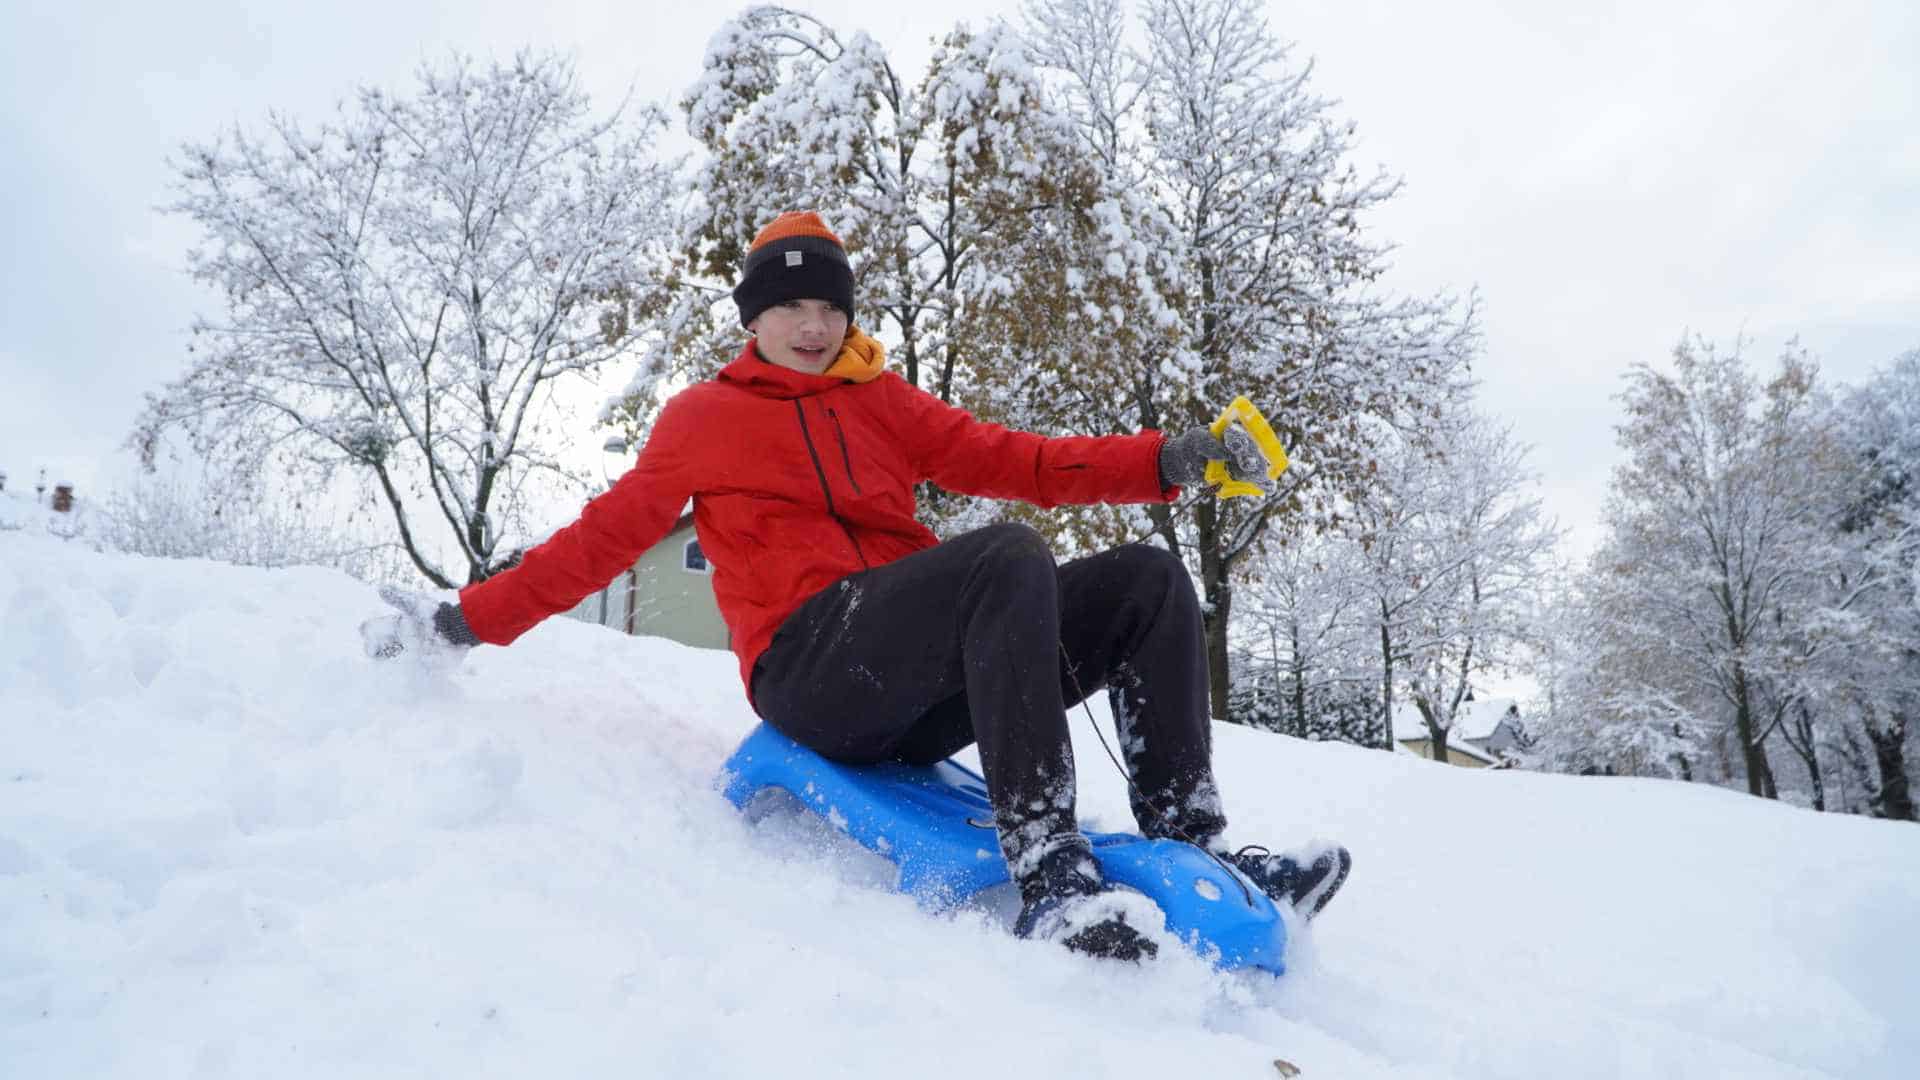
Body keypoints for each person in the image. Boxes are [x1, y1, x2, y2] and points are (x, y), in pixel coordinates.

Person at [362, 211, 1350, 962]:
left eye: (830, 305)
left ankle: (1198, 841)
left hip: (918, 688)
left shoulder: (879, 400)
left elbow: (1030, 462)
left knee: (1147, 579)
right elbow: (597, 542)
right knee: (1008, 555)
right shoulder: (702, 419)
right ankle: (1052, 873)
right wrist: (462, 620)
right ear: (754, 316)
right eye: (791, 305)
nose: (813, 322)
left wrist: (1170, 460)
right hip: (812, 671)